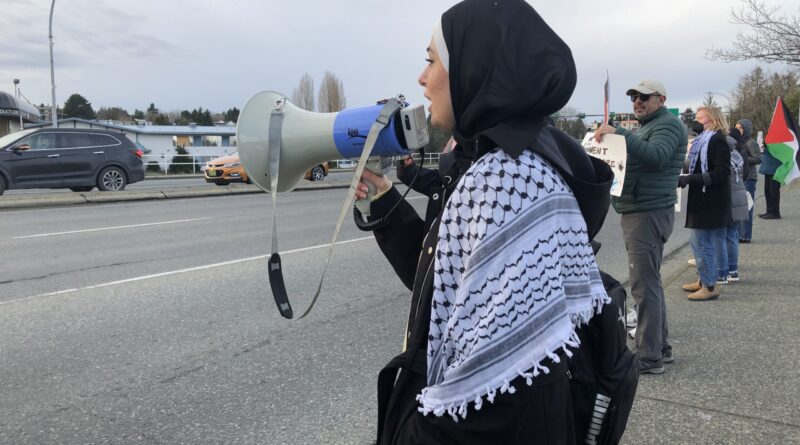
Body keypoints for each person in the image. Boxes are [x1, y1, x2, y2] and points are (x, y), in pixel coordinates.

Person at [354, 1, 613, 442]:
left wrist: (413, 434)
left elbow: (494, 391)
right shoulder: (502, 158)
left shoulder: (504, 178)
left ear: (475, 68)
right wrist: (385, 205)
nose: (422, 78)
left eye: (431, 60)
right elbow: (447, 285)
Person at [594, 80, 687, 375]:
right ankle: (660, 347)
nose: (637, 101)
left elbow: (656, 157)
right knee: (650, 282)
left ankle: (649, 357)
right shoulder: (652, 125)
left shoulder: (668, 125)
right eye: (634, 97)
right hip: (641, 209)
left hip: (648, 213)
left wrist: (619, 133)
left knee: (643, 285)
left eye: (644, 97)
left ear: (661, 98)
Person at [678, 107, 731, 301]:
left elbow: (722, 172)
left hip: (711, 201)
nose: (696, 121)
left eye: (700, 117)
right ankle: (704, 280)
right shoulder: (703, 140)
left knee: (702, 243)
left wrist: (691, 179)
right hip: (702, 199)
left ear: (712, 119)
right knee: (698, 242)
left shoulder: (716, 140)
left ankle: (709, 287)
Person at [716, 128, 749, 284]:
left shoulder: (722, 156)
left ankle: (721, 273)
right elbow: (746, 174)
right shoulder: (738, 155)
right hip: (740, 197)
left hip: (727, 198)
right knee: (733, 236)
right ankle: (733, 271)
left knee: (721, 236)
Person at [735, 119, 761, 242]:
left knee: (748, 207)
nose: (737, 129)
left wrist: (743, 159)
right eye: (736, 127)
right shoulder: (736, 142)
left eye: (740, 127)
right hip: (739, 178)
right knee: (739, 208)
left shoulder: (751, 143)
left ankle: (746, 235)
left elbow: (758, 159)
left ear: (746, 129)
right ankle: (739, 233)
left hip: (749, 178)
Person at [759, 136, 782, 219]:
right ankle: (769, 210)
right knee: (767, 191)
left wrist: (768, 145)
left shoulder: (779, 137)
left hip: (775, 168)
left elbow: (778, 151)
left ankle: (775, 212)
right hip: (768, 168)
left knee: (774, 191)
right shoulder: (769, 135)